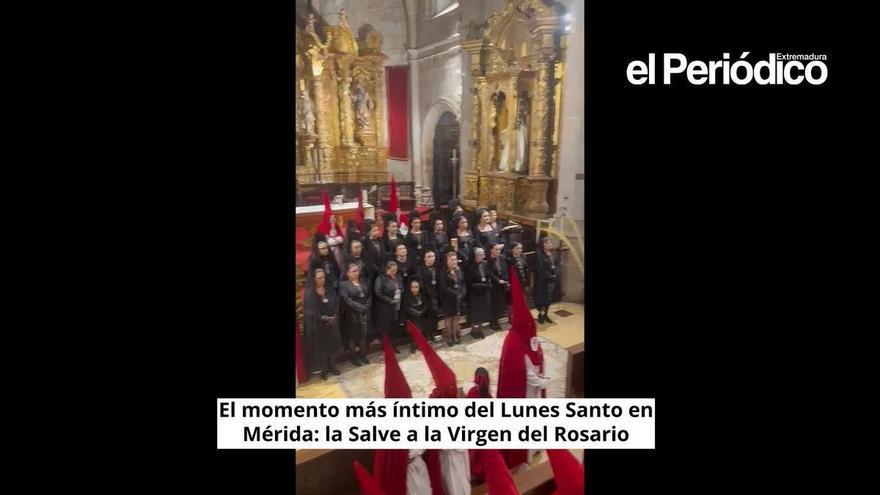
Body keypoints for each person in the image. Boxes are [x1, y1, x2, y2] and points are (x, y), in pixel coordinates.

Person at [302, 268, 342, 380]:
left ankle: (332, 365)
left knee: (334, 346)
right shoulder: (310, 293)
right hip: (320, 325)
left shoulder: (329, 289)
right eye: (319, 278)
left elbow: (336, 303)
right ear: (314, 279)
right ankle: (324, 369)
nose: (322, 279)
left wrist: (334, 316)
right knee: (323, 348)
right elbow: (311, 311)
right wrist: (326, 318)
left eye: (324, 277)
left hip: (333, 323)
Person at [339, 262, 372, 366]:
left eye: (357, 270)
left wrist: (367, 305)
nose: (356, 273)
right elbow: (346, 299)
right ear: (348, 273)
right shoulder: (344, 285)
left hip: (364, 313)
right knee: (352, 338)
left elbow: (369, 295)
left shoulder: (363, 281)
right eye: (354, 271)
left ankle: (363, 355)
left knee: (363, 336)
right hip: (352, 315)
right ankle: (354, 358)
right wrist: (361, 307)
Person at [374, 260, 403, 354]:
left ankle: (393, 345)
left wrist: (399, 292)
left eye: (396, 270)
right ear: (387, 269)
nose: (395, 272)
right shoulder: (381, 278)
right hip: (385, 307)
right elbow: (378, 293)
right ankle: (387, 347)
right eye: (393, 270)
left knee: (393, 327)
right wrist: (390, 300)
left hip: (396, 306)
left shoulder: (397, 276)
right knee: (386, 328)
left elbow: (401, 286)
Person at [439, 250, 466, 346]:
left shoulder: (459, 270)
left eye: (455, 259)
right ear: (447, 261)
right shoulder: (443, 272)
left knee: (456, 318)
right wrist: (455, 294)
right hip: (448, 298)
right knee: (449, 318)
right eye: (451, 260)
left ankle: (455, 336)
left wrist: (463, 293)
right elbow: (444, 287)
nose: (454, 261)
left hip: (458, 299)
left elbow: (462, 283)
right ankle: (449, 337)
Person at [464, 247, 492, 340]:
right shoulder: (469, 267)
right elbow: (469, 283)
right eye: (481, 255)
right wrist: (482, 285)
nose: (483, 256)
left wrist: (488, 283)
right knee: (474, 313)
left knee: (482, 312)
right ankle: (474, 330)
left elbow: (488, 276)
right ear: (475, 256)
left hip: (484, 292)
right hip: (474, 294)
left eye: (483, 254)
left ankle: (480, 329)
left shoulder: (485, 264)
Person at [533, 237, 559, 324]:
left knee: (549, 298)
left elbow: (557, 264)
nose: (549, 244)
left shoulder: (554, 253)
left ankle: (546, 314)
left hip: (552, 280)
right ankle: (541, 314)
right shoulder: (539, 254)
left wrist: (555, 274)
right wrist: (549, 276)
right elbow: (540, 268)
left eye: (550, 243)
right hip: (542, 280)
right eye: (547, 243)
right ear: (543, 244)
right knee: (541, 299)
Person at [416, 249, 440, 337]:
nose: (431, 258)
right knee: (426, 317)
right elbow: (421, 284)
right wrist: (430, 293)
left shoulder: (437, 268)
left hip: (436, 295)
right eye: (429, 257)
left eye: (433, 256)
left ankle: (434, 333)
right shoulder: (420, 269)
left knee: (435, 315)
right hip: (425, 296)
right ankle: (426, 335)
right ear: (424, 258)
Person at [488, 242, 509, 330]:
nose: (498, 251)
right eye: (496, 250)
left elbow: (504, 270)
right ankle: (492, 322)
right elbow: (489, 273)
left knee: (500, 304)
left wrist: (506, 280)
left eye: (499, 250)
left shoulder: (501, 258)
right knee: (493, 304)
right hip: (493, 284)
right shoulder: (488, 260)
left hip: (502, 283)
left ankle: (497, 320)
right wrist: (497, 280)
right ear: (491, 250)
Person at [405, 279, 430, 353]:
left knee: (422, 331)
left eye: (416, 287)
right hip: (413, 317)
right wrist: (415, 312)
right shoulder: (407, 296)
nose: (415, 289)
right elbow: (407, 307)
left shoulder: (422, 295)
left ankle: (420, 345)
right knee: (414, 332)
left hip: (422, 316)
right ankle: (413, 346)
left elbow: (426, 305)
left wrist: (422, 311)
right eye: (413, 287)